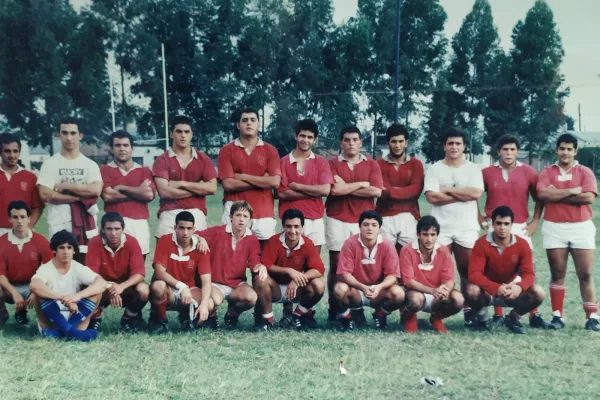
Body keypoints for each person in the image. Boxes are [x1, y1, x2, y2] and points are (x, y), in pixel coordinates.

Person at [480, 134, 547, 328]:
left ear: (518, 151)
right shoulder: (487, 172)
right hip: (496, 225)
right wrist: (480, 217)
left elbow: (539, 198)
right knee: (495, 267)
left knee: (526, 269)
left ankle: (533, 312)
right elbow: (475, 194)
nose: (508, 153)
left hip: (519, 226)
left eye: (512, 149)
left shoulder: (529, 172)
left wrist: (535, 221)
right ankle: (498, 313)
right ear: (498, 151)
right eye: (505, 149)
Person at [537, 133, 599, 331]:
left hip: (581, 226)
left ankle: (592, 317)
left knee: (586, 273)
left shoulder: (585, 171)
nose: (565, 152)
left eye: (569, 149)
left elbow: (588, 197)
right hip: (555, 226)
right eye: (562, 148)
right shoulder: (547, 171)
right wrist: (572, 191)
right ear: (557, 150)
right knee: (557, 272)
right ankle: (557, 316)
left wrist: (556, 195)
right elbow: (542, 193)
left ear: (575, 151)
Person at [423, 127, 483, 326]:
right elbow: (432, 197)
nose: (454, 147)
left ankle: (470, 312)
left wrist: (447, 190)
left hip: (466, 227)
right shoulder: (434, 169)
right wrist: (461, 195)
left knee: (468, 271)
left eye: (458, 143)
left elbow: (475, 194)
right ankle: (440, 312)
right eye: (450, 143)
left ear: (464, 146)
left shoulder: (473, 169)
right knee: (440, 271)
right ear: (444, 146)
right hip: (441, 227)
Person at [325, 126, 383, 324]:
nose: (351, 143)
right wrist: (362, 184)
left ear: (361, 143)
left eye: (355, 140)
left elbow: (376, 191)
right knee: (336, 266)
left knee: (359, 266)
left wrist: (348, 187)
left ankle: (356, 308)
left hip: (363, 221)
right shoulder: (332, 163)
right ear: (341, 142)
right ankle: (335, 309)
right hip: (337, 218)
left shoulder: (372, 164)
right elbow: (335, 191)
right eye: (347, 139)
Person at [277, 119, 332, 318]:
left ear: (315, 139)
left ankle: (306, 309)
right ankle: (287, 308)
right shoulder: (284, 161)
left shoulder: (321, 162)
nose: (305, 140)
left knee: (311, 266)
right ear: (296, 136)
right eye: (302, 136)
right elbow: (281, 193)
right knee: (290, 263)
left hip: (314, 219)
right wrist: (312, 192)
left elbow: (325, 190)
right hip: (290, 220)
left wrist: (298, 187)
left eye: (310, 137)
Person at [466, 206, 545, 334]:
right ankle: (482, 319)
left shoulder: (522, 244)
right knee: (471, 290)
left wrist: (519, 287)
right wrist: (495, 287)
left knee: (539, 292)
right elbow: (474, 274)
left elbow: (529, 274)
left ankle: (513, 318)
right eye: (498, 223)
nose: (502, 227)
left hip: (511, 290)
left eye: (506, 224)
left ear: (511, 225)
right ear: (493, 223)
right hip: (488, 291)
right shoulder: (481, 243)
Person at [37, 117, 103, 262]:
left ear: (80, 135)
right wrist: (77, 198)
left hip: (85, 225)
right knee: (60, 269)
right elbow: (45, 194)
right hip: (59, 223)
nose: (69, 138)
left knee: (85, 266)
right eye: (64, 133)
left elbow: (95, 190)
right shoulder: (50, 164)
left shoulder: (89, 165)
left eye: (73, 133)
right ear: (58, 135)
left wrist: (65, 186)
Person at [218, 107, 281, 247]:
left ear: (259, 124)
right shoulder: (226, 150)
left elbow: (275, 182)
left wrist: (242, 177)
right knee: (233, 263)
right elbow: (228, 184)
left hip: (263, 212)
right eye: (244, 120)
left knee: (263, 263)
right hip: (233, 210)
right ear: (238, 125)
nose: (249, 123)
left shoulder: (270, 150)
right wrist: (262, 180)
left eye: (253, 120)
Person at [332, 210, 404, 331]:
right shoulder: (350, 243)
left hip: (378, 292)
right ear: (359, 227)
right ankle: (347, 318)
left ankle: (380, 315)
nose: (369, 228)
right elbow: (344, 274)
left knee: (399, 293)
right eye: (365, 224)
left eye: (374, 225)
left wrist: (379, 287)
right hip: (356, 290)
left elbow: (393, 275)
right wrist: (363, 287)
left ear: (379, 228)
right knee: (339, 289)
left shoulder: (387, 245)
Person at [255, 209, 326, 331]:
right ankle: (268, 320)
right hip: (274, 288)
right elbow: (266, 264)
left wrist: (296, 280)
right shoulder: (274, 240)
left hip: (296, 290)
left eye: (296, 227)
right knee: (260, 279)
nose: (293, 231)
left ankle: (298, 315)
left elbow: (319, 269)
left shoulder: (307, 243)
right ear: (283, 226)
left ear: (302, 228)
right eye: (288, 226)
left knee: (318, 284)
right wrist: (289, 270)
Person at [198, 201, 266, 329]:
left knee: (251, 298)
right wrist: (201, 239)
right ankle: (211, 317)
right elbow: (194, 234)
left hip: (236, 283)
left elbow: (254, 261)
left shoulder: (252, 239)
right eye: (238, 215)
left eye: (245, 216)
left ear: (249, 220)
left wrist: (260, 266)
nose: (241, 220)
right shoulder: (218, 232)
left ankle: (231, 314)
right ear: (230, 217)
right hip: (216, 283)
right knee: (215, 301)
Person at [30, 230, 107, 341]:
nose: (66, 251)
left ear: (74, 251)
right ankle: (73, 333)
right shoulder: (46, 268)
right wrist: (63, 297)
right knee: (38, 293)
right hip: (51, 319)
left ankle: (61, 333)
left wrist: (77, 296)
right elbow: (35, 285)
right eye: (61, 247)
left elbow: (101, 283)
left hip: (75, 316)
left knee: (97, 292)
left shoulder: (77, 267)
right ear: (54, 250)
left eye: (69, 247)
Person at [152, 115, 217, 238]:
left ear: (191, 134)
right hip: (169, 211)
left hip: (196, 211)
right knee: (166, 254)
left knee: (197, 253)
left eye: (187, 132)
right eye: (179, 131)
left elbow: (212, 188)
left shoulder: (203, 159)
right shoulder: (162, 160)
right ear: (171, 134)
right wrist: (199, 190)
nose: (183, 135)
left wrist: (181, 184)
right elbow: (165, 192)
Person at [148, 211, 213, 333]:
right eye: (181, 228)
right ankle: (161, 321)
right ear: (175, 228)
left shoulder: (201, 248)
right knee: (158, 286)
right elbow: (159, 272)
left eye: (189, 228)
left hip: (190, 290)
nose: (185, 232)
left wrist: (203, 304)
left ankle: (186, 318)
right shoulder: (165, 241)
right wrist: (182, 287)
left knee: (209, 303)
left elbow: (206, 280)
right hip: (170, 289)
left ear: (194, 229)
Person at [85, 212, 149, 333]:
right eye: (109, 229)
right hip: (102, 285)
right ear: (102, 230)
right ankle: (95, 319)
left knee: (144, 290)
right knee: (86, 286)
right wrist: (111, 287)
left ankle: (128, 318)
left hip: (124, 286)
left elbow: (139, 273)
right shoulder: (94, 242)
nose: (113, 233)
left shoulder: (132, 242)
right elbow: (91, 274)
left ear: (123, 229)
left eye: (117, 229)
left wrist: (121, 287)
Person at [400, 216, 463, 333]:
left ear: (437, 235)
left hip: (436, 294)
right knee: (415, 299)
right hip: (417, 293)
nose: (429, 239)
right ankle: (408, 317)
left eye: (433, 235)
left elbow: (449, 280)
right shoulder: (407, 250)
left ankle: (436, 318)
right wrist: (432, 291)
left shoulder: (443, 251)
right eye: (425, 234)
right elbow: (409, 282)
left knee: (458, 299)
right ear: (418, 234)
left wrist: (445, 290)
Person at [101, 131, 155, 257]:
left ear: (132, 148)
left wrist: (120, 187)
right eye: (118, 145)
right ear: (111, 149)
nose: (122, 149)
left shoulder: (144, 170)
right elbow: (108, 196)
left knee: (139, 263)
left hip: (139, 223)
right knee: (114, 263)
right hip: (113, 225)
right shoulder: (105, 170)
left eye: (126, 145)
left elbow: (148, 195)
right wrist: (137, 192)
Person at [0, 201, 53, 327]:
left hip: (32, 285)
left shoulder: (41, 241)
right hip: (10, 286)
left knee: (52, 284)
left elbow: (49, 269)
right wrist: (14, 293)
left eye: (22, 217)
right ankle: (2, 314)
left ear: (29, 218)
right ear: (9, 219)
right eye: (15, 217)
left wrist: (35, 291)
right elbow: (0, 274)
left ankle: (43, 320)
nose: (19, 221)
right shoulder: (1, 242)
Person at [375, 123, 424, 254]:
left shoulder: (416, 164)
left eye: (401, 141)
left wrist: (390, 191)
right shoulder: (378, 164)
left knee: (406, 259)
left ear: (406, 143)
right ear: (388, 143)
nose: (397, 145)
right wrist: (405, 191)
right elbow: (381, 191)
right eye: (394, 141)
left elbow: (415, 191)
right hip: (384, 215)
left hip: (410, 215)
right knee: (386, 259)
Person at [0, 133, 44, 235]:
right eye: (7, 151)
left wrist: (28, 228)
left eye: (15, 151)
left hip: (22, 231)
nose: (12, 155)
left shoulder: (30, 177)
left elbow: (37, 207)